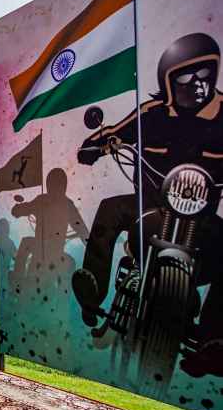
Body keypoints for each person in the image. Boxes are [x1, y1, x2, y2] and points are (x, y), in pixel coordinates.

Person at [73, 32, 223, 375]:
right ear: (169, 81)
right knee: (111, 208)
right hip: (150, 206)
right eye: (185, 78)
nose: (196, 85)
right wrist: (99, 143)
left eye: (204, 76)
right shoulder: (152, 114)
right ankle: (93, 289)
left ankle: (214, 339)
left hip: (200, 220)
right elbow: (115, 131)